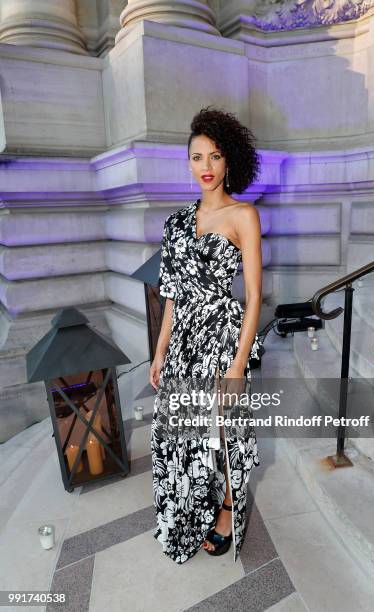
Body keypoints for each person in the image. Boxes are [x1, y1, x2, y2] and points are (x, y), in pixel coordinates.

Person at [149, 106, 263, 564]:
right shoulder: (175, 222)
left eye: (214, 157)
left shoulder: (243, 215)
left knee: (223, 430)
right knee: (184, 436)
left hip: (222, 340)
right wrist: (159, 353)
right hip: (182, 345)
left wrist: (238, 365)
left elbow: (254, 296)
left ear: (228, 160)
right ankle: (191, 508)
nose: (206, 167)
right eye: (197, 157)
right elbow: (172, 298)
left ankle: (230, 506)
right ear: (188, 162)